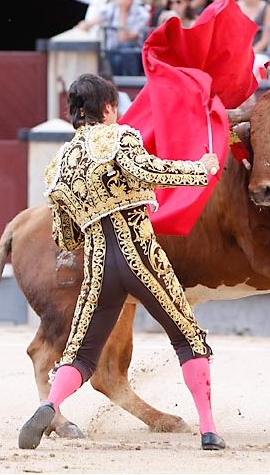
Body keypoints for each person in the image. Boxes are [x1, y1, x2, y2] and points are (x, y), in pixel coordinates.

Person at [19, 74, 224, 451]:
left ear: (77, 114)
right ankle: (209, 430)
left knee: (81, 351)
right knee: (188, 338)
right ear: (109, 108)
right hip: (142, 258)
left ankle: (50, 404)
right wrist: (202, 169)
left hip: (98, 268)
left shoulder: (60, 165)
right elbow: (148, 172)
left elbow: (66, 237)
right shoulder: (121, 136)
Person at [76, 0, 150, 76]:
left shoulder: (142, 13)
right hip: (111, 52)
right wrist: (81, 27)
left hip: (133, 55)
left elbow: (123, 38)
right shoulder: (110, 8)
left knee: (125, 50)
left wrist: (123, 11)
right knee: (108, 56)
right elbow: (89, 23)